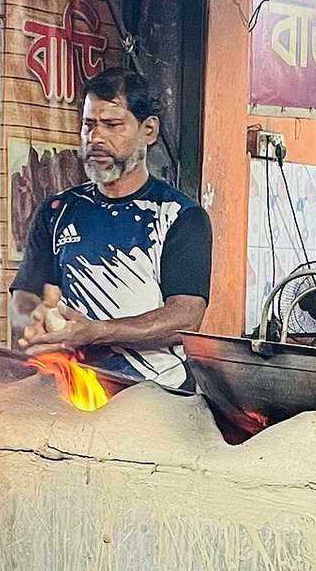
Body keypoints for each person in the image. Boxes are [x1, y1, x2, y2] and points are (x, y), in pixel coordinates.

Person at [11, 68, 211, 388]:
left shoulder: (179, 216)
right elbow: (25, 297)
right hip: (74, 390)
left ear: (149, 130)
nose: (96, 138)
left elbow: (185, 317)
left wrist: (97, 331)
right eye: (89, 124)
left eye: (112, 125)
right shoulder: (56, 212)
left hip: (157, 393)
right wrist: (33, 329)